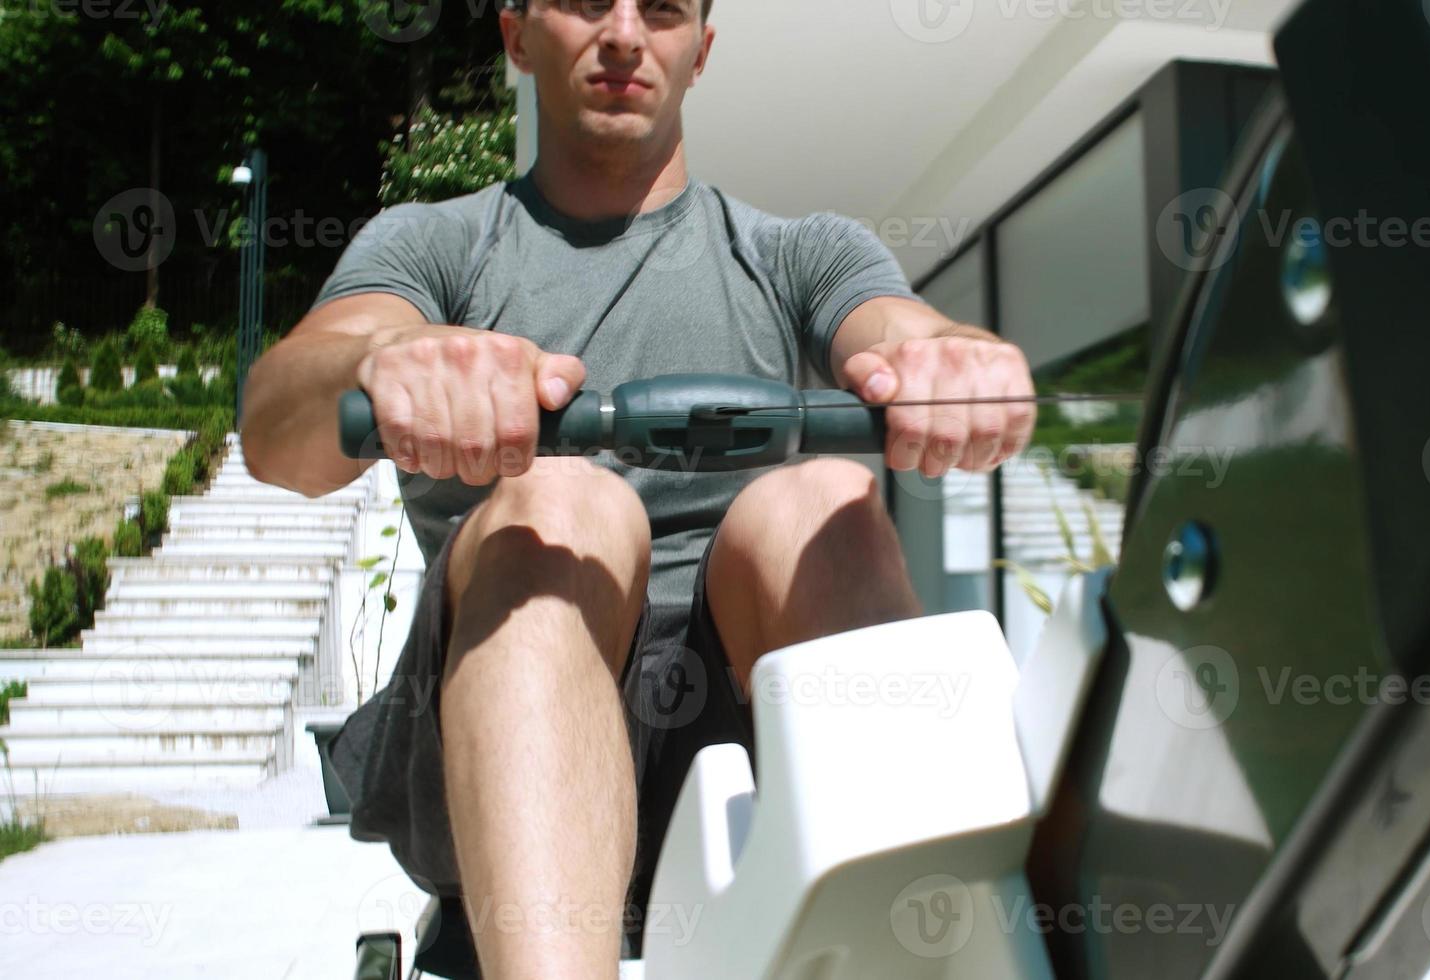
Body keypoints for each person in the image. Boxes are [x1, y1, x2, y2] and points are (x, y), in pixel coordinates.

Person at [240, 1, 1036, 975]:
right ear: (515, 35)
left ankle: (920, 953)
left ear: (699, 53)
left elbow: (903, 332)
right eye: (584, 2)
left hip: (741, 720)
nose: (622, 34)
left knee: (817, 497)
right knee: (564, 503)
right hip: (497, 719)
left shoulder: (796, 254)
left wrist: (954, 363)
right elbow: (281, 430)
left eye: (660, 9)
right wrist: (389, 359)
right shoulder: (434, 245)